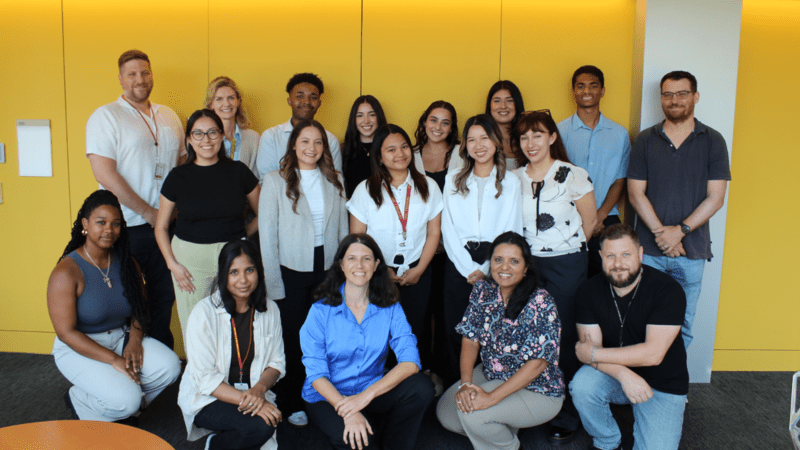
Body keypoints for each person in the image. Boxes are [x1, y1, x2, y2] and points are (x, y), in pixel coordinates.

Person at [48, 190, 181, 423]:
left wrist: (135, 340)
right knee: (126, 400)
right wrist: (113, 360)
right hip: (80, 347)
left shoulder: (127, 262)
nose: (109, 230)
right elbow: (66, 333)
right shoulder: (66, 271)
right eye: (101, 222)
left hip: (121, 339)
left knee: (170, 367)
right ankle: (81, 399)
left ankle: (121, 404)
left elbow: (141, 307)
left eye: (116, 224)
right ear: (85, 224)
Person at [86, 49, 185, 349]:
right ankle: (125, 364)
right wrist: (148, 212)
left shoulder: (168, 115)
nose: (140, 79)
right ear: (120, 79)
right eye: (132, 74)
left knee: (163, 297)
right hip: (129, 227)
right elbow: (105, 174)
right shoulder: (105, 116)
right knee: (126, 298)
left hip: (167, 227)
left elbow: (181, 166)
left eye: (145, 72)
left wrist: (170, 212)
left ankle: (163, 367)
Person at [300, 234, 435, 450]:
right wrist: (350, 411)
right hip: (327, 397)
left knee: (421, 387)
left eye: (367, 258)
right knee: (357, 441)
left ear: (376, 265)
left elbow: (411, 362)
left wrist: (366, 396)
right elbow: (316, 375)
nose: (359, 265)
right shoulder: (320, 311)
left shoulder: (390, 307)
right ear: (341, 265)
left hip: (369, 390)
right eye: (351, 258)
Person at [627, 70, 730, 350]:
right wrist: (664, 235)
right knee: (640, 322)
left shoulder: (713, 141)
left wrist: (680, 232)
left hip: (692, 252)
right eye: (668, 94)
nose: (674, 100)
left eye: (682, 93)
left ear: (695, 97)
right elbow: (636, 194)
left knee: (683, 325)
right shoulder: (646, 140)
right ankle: (642, 388)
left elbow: (716, 197)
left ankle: (673, 392)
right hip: (648, 252)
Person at [512, 110, 597, 444]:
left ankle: (566, 412)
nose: (530, 143)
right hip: (527, 266)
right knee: (528, 334)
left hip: (567, 264)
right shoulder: (514, 178)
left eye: (537, 135)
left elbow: (590, 223)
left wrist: (566, 251)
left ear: (551, 137)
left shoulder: (572, 174)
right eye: (523, 137)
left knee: (561, 336)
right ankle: (530, 404)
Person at [437, 232, 564, 450]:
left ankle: (507, 445)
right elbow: (470, 339)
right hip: (493, 374)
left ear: (525, 268)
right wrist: (466, 383)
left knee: (474, 415)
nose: (504, 267)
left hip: (537, 388)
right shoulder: (483, 291)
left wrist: (491, 399)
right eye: (498, 260)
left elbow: (538, 364)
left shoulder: (541, 301)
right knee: (447, 414)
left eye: (514, 261)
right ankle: (501, 424)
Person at [259, 119, 349, 427]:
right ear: (294, 145)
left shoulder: (334, 179)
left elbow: (342, 231)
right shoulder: (275, 181)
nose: (312, 148)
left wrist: (343, 275)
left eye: (318, 142)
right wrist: (273, 285)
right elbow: (267, 237)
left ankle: (321, 396)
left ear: (325, 148)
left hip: (327, 271)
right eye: (305, 141)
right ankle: (290, 400)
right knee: (293, 340)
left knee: (326, 339)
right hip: (290, 272)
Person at [571, 224, 688, 450]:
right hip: (613, 374)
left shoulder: (667, 290)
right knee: (583, 385)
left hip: (663, 382)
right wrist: (625, 375)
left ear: (640, 254)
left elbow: (652, 354)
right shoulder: (588, 291)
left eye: (626, 255)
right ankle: (607, 440)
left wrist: (593, 354)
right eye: (610, 256)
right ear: (600, 257)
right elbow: (589, 349)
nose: (618, 264)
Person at [155, 109, 261, 333]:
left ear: (222, 136)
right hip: (190, 261)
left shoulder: (238, 171)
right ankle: (200, 369)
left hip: (233, 258)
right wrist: (172, 264)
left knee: (235, 323)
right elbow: (161, 227)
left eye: (213, 132)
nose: (206, 139)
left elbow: (265, 214)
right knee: (196, 326)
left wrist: (242, 236)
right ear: (189, 140)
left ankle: (234, 369)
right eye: (198, 134)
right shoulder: (177, 177)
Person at [347, 124, 443, 366]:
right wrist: (380, 271)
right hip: (377, 275)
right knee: (378, 335)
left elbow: (434, 233)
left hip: (418, 273)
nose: (400, 154)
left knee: (415, 331)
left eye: (404, 147)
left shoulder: (428, 186)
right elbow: (358, 240)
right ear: (379, 156)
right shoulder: (365, 190)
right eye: (391, 149)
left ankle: (413, 387)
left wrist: (420, 269)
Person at [178, 239, 285, 450]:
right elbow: (206, 380)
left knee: (280, 439)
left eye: (250, 270)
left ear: (259, 271)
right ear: (223, 274)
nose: (243, 280)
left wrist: (259, 390)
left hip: (253, 390)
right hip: (210, 398)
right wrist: (255, 402)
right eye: (233, 272)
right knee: (262, 427)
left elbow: (276, 363)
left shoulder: (270, 309)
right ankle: (216, 444)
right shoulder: (204, 313)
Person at [440, 114, 522, 384]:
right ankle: (456, 391)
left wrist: (488, 270)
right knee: (456, 331)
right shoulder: (453, 179)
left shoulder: (510, 181)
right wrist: (468, 269)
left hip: (497, 265)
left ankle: (489, 390)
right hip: (459, 263)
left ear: (496, 142)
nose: (478, 145)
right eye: (471, 139)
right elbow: (448, 229)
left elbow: (513, 229)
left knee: (493, 332)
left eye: (484, 138)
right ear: (465, 146)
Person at [557, 65, 631, 278]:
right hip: (567, 218)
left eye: (593, 85)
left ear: (602, 91)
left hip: (606, 219)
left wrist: (599, 216)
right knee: (570, 280)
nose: (586, 91)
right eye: (580, 86)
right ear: (573, 92)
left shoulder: (619, 134)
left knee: (609, 280)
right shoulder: (558, 131)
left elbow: (620, 180)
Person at [413, 100, 461, 391]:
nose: (438, 127)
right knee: (419, 313)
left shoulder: (461, 154)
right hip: (418, 249)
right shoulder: (412, 155)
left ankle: (445, 374)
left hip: (452, 250)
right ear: (424, 122)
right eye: (434, 120)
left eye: (445, 122)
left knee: (447, 315)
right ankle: (420, 372)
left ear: (452, 127)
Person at [256, 72, 342, 180]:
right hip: (279, 197)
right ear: (289, 100)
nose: (306, 102)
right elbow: (267, 180)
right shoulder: (271, 137)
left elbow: (334, 180)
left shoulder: (330, 140)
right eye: (300, 96)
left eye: (313, 97)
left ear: (319, 103)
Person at [204, 76, 259, 176]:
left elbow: (257, 179)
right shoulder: (203, 139)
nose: (226, 104)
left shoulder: (253, 138)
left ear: (238, 101)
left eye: (231, 98)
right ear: (211, 104)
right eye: (219, 99)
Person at [342, 95, 388, 198]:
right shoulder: (343, 150)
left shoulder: (390, 148)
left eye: (371, 115)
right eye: (359, 115)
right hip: (353, 211)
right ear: (353, 119)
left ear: (379, 117)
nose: (366, 121)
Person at [485, 80, 526, 171]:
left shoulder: (528, 138)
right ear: (489, 106)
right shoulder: (480, 139)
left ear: (517, 105)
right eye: (497, 101)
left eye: (509, 100)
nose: (503, 106)